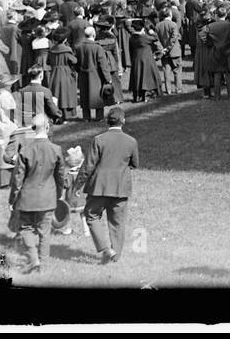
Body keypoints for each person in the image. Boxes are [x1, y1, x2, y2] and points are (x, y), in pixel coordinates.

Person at [9, 113, 70, 274]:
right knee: (45, 232)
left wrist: (12, 199)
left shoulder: (25, 151)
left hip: (27, 198)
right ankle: (43, 264)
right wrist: (58, 195)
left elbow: (17, 179)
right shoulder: (56, 149)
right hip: (48, 198)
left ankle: (34, 258)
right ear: (48, 127)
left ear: (32, 129)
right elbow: (60, 176)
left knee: (26, 228)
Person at [79, 106, 140, 265]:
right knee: (117, 223)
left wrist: (75, 186)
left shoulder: (98, 140)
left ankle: (105, 249)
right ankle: (115, 256)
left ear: (107, 121)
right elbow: (135, 164)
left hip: (99, 187)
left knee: (91, 216)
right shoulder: (131, 141)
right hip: (121, 188)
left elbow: (88, 166)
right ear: (123, 121)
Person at [200, 5, 230, 101]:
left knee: (217, 75)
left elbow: (201, 35)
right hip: (227, 52)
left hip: (215, 52)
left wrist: (209, 43)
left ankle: (217, 96)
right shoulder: (229, 25)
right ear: (226, 14)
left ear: (216, 15)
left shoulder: (210, 26)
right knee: (228, 76)